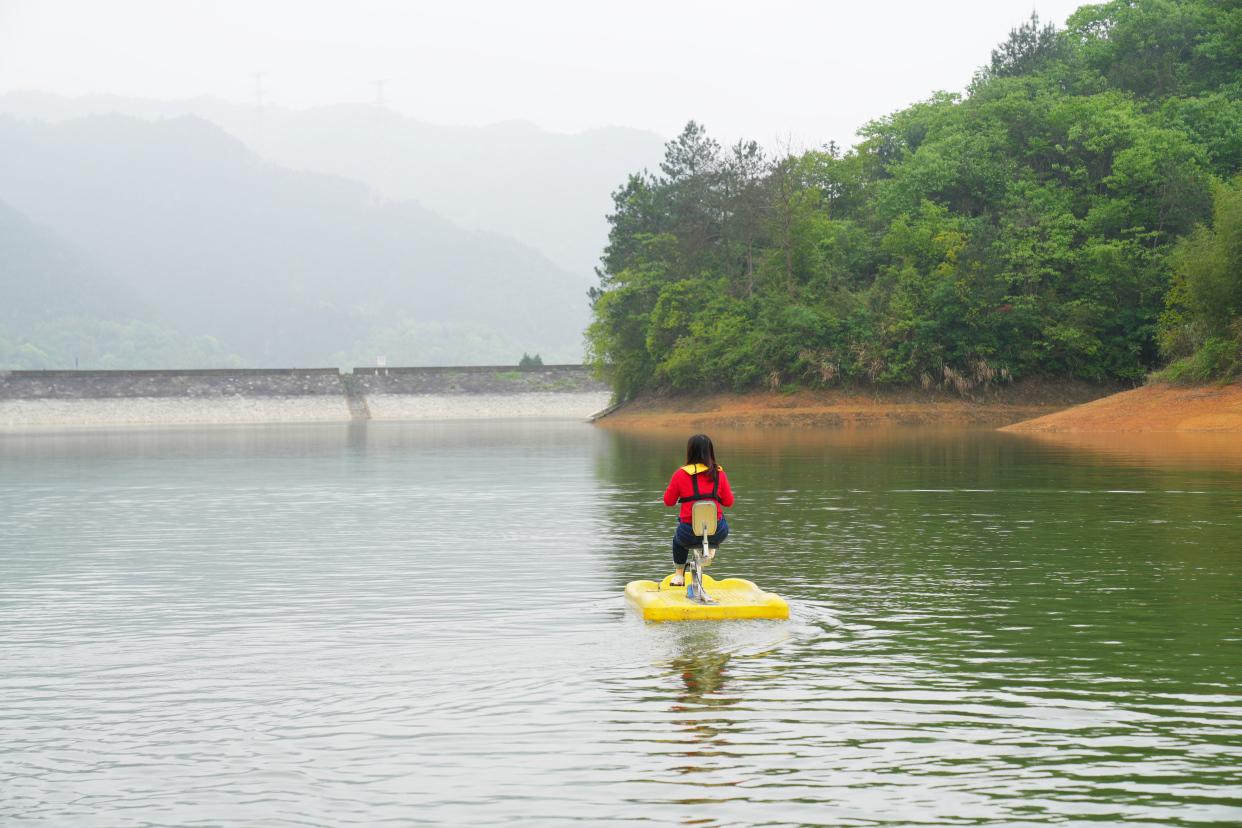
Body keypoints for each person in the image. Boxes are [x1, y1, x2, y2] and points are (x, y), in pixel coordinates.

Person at [663, 433, 734, 586]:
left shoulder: (680, 474)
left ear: (690, 451)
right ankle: (710, 548)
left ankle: (679, 576)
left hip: (688, 534)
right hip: (717, 532)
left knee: (677, 540)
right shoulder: (719, 473)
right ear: (710, 451)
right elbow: (729, 502)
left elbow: (668, 502)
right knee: (721, 518)